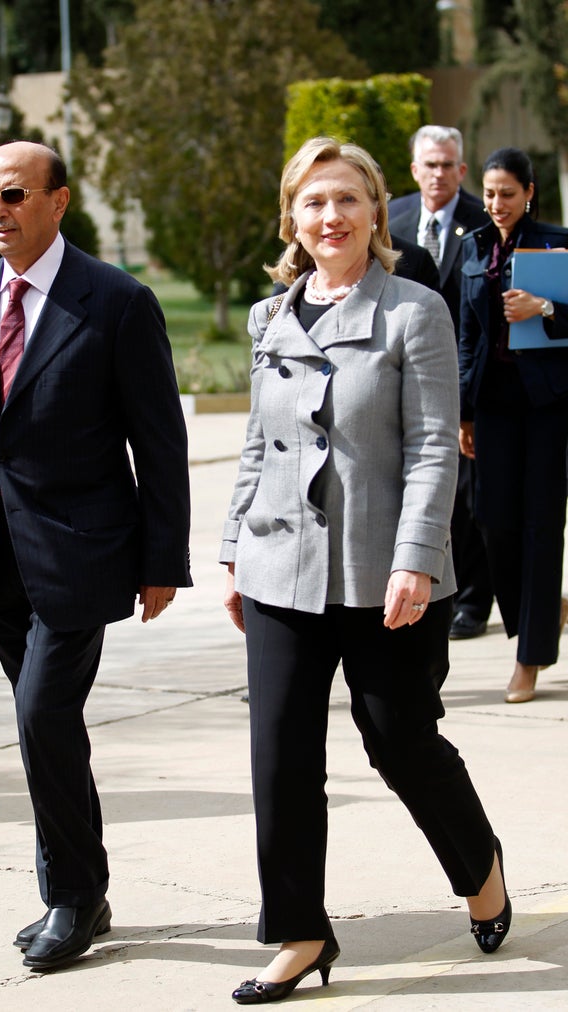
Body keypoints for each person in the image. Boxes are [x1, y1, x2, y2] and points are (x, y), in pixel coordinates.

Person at [0, 141, 191, 971]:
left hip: (85, 554)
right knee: (49, 727)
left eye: (12, 194)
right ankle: (86, 884)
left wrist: (165, 559)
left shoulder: (119, 301)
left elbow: (158, 441)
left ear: (60, 200)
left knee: (41, 716)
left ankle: (72, 897)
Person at [220, 136, 510, 1005]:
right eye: (312, 203)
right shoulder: (269, 320)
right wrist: (235, 549)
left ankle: (480, 867)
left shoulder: (413, 312)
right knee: (278, 755)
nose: (330, 216)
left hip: (384, 572)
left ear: (376, 212)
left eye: (346, 199)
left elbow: (432, 450)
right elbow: (256, 447)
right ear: (292, 219)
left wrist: (417, 560)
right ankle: (301, 933)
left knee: (400, 741)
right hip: (279, 566)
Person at [459, 146, 568, 704]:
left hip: (547, 407)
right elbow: (467, 335)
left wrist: (543, 308)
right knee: (492, 523)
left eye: (507, 193)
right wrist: (463, 411)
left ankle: (530, 654)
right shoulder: (473, 247)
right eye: (489, 193)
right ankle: (544, 609)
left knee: (540, 527)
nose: (497, 204)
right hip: (493, 406)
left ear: (529, 192)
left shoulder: (558, 242)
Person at [390, 124, 493, 642]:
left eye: (447, 165)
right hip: (400, 373)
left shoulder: (482, 221)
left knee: (465, 500)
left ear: (461, 169)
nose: (438, 173)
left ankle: (473, 602)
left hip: (462, 375)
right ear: (415, 170)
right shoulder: (394, 219)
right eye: (429, 164)